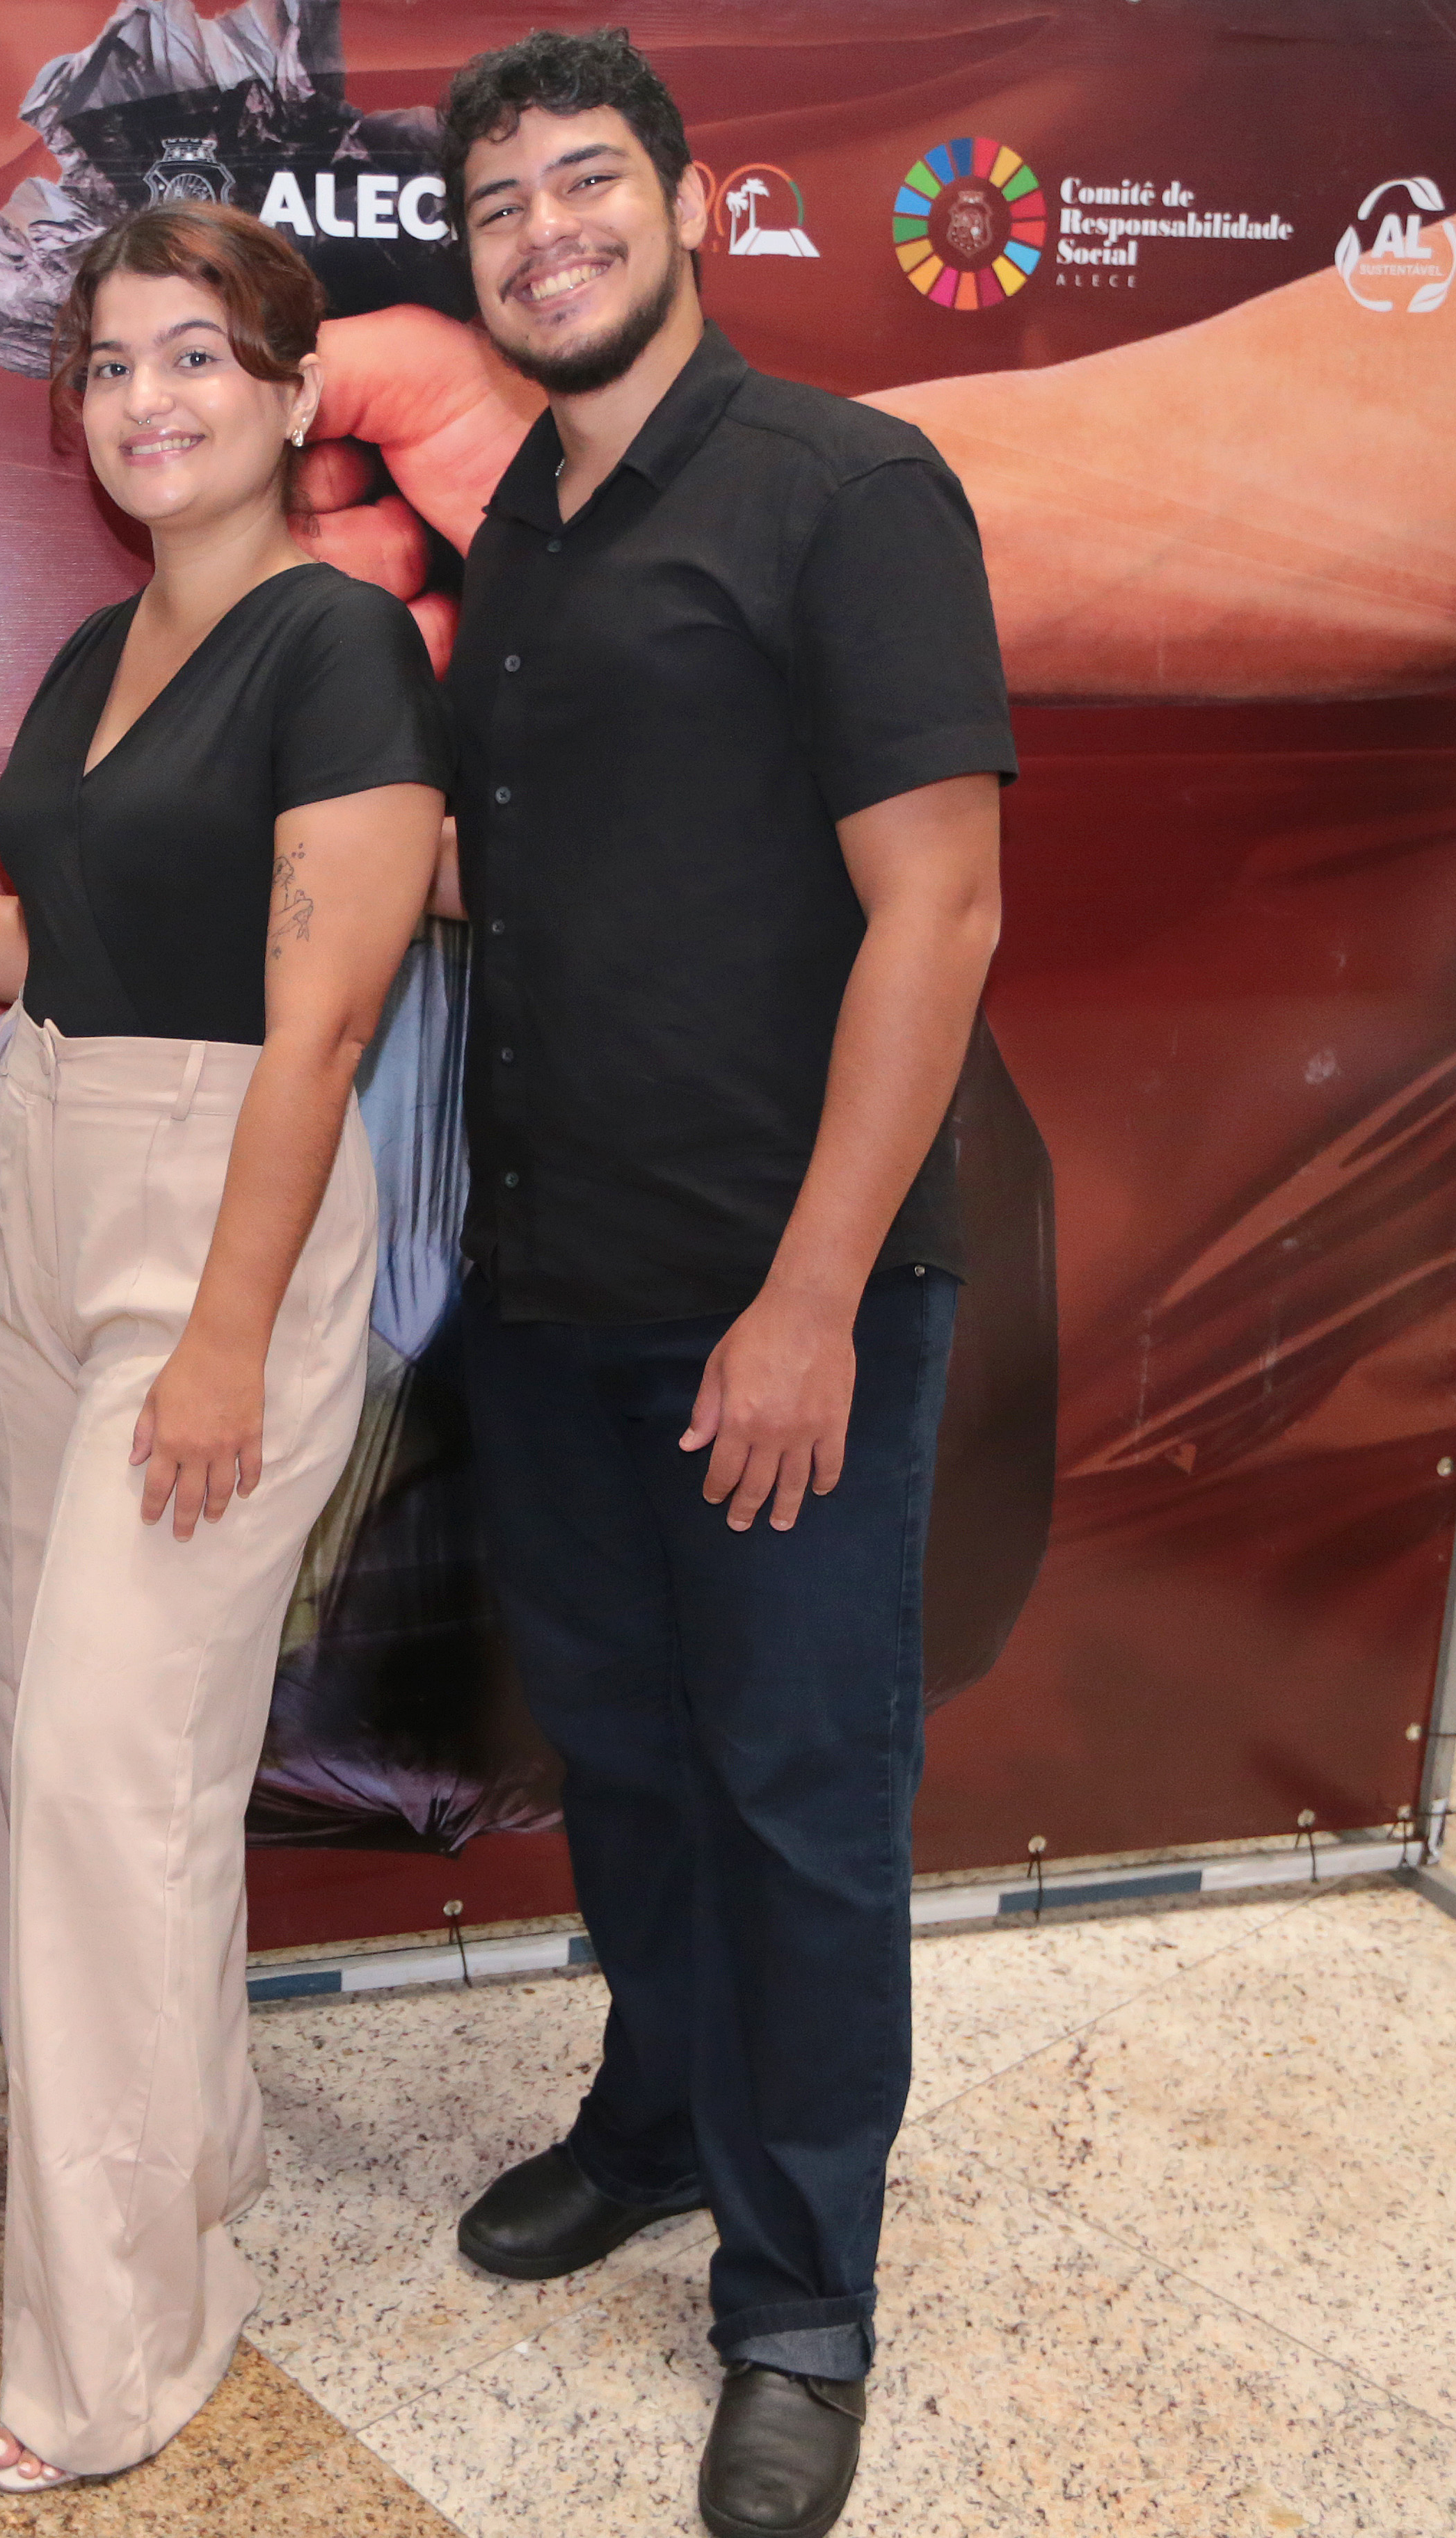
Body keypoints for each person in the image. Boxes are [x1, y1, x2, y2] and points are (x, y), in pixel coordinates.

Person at [422, 35, 1009, 2538]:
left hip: (783, 1302)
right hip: (552, 1289)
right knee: (636, 1767)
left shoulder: (846, 489)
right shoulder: (521, 532)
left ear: (692, 204)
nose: (544, 233)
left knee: (795, 1798)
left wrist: (807, 1300)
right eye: (497, 204)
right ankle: (659, 2116)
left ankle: (800, 2301)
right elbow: (533, 880)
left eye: (587, 183)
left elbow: (939, 907)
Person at [0, 200, 447, 2490]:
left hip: (218, 1206)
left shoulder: (338, 643)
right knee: (104, 1761)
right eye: (114, 361)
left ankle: (118, 2349)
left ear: (291, 386)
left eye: (198, 355)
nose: (149, 398)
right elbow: (58, 940)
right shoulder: (90, 651)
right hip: (45, 1164)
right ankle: (194, 2151)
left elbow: (320, 1022)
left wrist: (229, 1334)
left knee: (95, 1781)